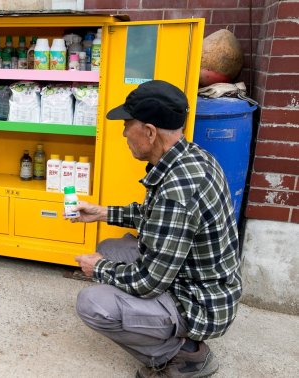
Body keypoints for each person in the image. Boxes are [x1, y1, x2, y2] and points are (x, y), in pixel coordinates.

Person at [72, 80, 242, 377]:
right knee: (109, 249)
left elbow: (148, 282)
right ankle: (164, 331)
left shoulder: (178, 190)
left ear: (149, 132)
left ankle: (183, 356)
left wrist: (99, 269)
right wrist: (102, 213)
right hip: (197, 277)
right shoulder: (192, 157)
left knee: (93, 303)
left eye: (128, 124)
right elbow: (158, 219)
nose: (124, 133)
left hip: (198, 302)